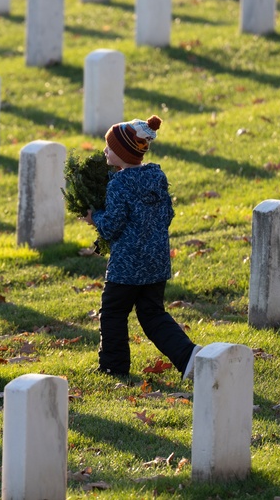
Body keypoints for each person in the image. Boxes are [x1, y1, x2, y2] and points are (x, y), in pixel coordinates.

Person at [81, 115, 202, 380]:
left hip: (127, 267)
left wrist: (94, 218)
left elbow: (112, 225)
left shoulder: (119, 184)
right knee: (152, 314)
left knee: (113, 312)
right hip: (156, 263)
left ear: (123, 154)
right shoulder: (157, 176)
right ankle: (189, 356)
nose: (105, 151)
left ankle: (114, 367)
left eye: (109, 148)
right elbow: (168, 215)